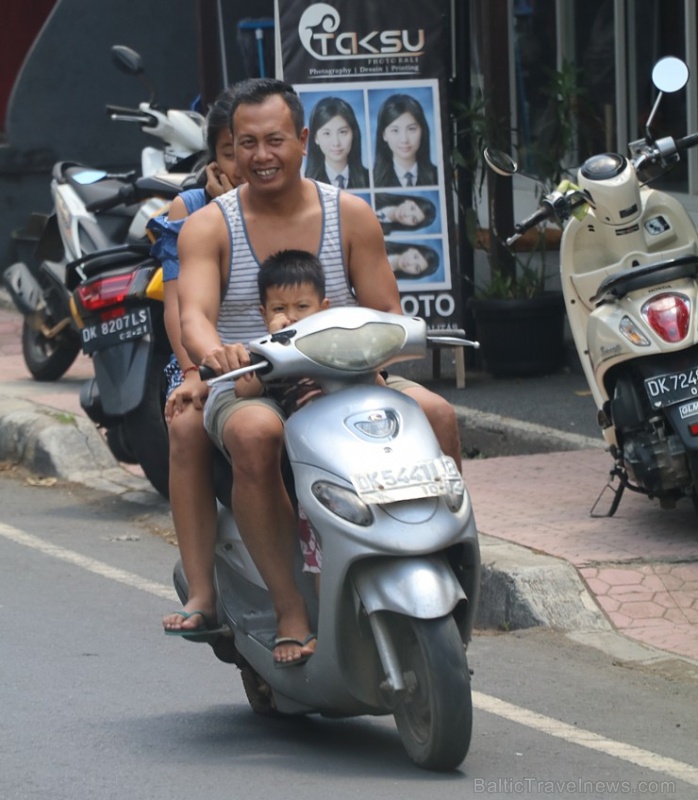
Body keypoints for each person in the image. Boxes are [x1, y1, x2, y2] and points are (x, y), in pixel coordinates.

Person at [175, 77, 462, 666]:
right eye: (246, 142)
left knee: (437, 413)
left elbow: (387, 310)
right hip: (251, 381)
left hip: (348, 375)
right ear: (230, 145)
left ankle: (444, 560)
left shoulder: (350, 214)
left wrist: (379, 357)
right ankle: (290, 608)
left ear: (304, 140)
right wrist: (218, 355)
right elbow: (195, 318)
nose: (261, 156)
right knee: (256, 435)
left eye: (275, 140)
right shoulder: (209, 225)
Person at [148, 87, 244, 637]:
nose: (248, 161)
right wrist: (193, 373)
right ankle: (203, 589)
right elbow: (178, 311)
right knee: (185, 426)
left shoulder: (303, 201)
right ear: (214, 156)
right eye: (233, 150)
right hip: (201, 361)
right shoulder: (187, 211)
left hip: (282, 351)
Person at [373, 94, 438, 188]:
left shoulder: (438, 175)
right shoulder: (371, 179)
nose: (404, 140)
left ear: (422, 130)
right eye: (395, 130)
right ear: (384, 135)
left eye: (411, 129)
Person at [304, 96, 369, 189]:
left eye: (342, 132)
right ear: (316, 138)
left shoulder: (371, 179)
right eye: (327, 133)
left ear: (354, 134)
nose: (336, 142)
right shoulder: (305, 183)